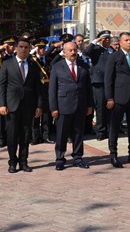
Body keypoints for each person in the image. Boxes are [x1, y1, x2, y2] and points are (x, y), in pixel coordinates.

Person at [0, 38, 43, 173]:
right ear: (16, 48)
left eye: (27, 47)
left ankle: (23, 161)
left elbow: (38, 88)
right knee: (12, 136)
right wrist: (2, 104)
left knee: (25, 135)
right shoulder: (7, 64)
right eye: (21, 47)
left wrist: (39, 106)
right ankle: (12, 162)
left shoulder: (34, 65)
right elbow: (1, 86)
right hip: (12, 105)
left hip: (28, 106)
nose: (24, 49)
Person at [104, 32, 130, 168]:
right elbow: (108, 79)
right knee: (115, 127)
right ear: (121, 42)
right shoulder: (114, 57)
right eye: (126, 40)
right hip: (118, 98)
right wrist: (109, 97)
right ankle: (113, 154)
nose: (129, 42)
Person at [49, 42, 93, 171]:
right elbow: (52, 89)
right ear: (65, 52)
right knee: (61, 134)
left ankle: (78, 158)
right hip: (63, 105)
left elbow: (88, 88)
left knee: (78, 133)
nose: (73, 52)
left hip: (80, 105)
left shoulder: (83, 66)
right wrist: (54, 108)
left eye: (75, 50)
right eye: (70, 50)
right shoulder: (57, 67)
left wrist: (90, 105)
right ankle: (60, 159)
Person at [85, 30, 113, 141]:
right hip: (98, 82)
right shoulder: (96, 49)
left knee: (110, 106)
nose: (106, 40)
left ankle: (109, 129)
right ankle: (101, 131)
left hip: (110, 82)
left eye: (108, 38)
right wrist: (96, 41)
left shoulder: (112, 50)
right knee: (100, 107)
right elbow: (87, 51)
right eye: (104, 38)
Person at [31, 39, 55, 144]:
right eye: (39, 48)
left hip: (46, 89)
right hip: (36, 89)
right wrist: (33, 51)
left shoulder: (48, 59)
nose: (42, 50)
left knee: (46, 115)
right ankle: (35, 137)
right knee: (36, 114)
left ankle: (46, 136)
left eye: (43, 48)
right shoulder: (32, 60)